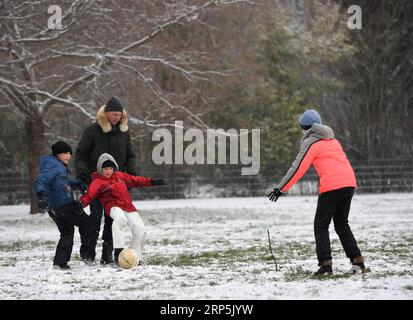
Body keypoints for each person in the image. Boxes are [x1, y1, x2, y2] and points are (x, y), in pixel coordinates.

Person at [268, 109, 369, 275]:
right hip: (349, 183)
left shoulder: (311, 143)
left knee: (321, 225)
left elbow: (298, 168)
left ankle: (326, 265)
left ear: (305, 128)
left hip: (332, 186)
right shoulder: (333, 140)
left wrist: (281, 188)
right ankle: (358, 262)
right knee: (342, 224)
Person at [75, 96, 138, 264]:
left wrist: (130, 178)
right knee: (93, 219)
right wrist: (82, 175)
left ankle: (107, 255)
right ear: (106, 113)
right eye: (113, 114)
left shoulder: (124, 133)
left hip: (116, 186)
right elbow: (81, 155)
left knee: (114, 221)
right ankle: (88, 254)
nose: (117, 117)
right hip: (95, 184)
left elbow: (130, 157)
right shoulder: (92, 131)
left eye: (119, 114)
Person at [79, 153, 166, 265]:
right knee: (120, 219)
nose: (108, 171)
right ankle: (119, 252)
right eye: (105, 168)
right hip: (113, 206)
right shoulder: (98, 181)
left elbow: (136, 180)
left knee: (141, 230)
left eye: (110, 168)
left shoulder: (120, 176)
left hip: (128, 206)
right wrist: (80, 204)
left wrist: (152, 181)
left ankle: (133, 257)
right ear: (100, 169)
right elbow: (89, 194)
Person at [34, 141, 97, 270]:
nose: (68, 156)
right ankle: (87, 257)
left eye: (69, 153)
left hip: (54, 208)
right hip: (65, 205)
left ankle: (60, 263)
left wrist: (75, 184)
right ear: (57, 154)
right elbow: (41, 180)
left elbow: (60, 183)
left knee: (67, 232)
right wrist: (41, 195)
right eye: (65, 153)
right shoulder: (54, 166)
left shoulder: (55, 165)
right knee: (89, 225)